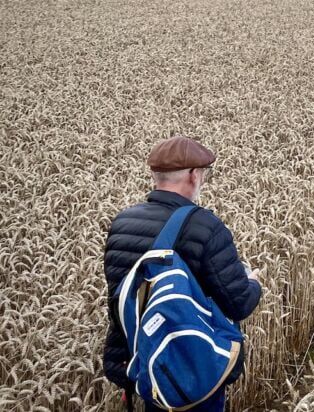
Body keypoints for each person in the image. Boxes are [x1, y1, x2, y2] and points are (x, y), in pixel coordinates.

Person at [103, 136, 262, 411]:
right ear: (193, 175)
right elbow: (238, 303)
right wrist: (253, 283)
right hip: (190, 368)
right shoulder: (205, 227)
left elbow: (120, 295)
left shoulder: (123, 222)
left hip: (141, 361)